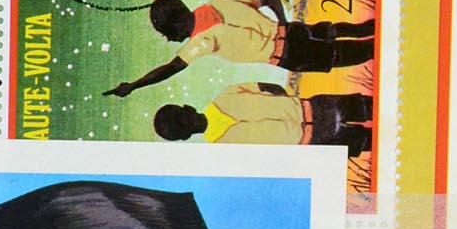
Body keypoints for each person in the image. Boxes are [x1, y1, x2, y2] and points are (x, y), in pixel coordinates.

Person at [106, 0, 374, 97]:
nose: (169, 39)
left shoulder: (202, 41)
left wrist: (134, 85)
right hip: (295, 32)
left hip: (290, 55)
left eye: (166, 32)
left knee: (362, 52)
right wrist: (282, 22)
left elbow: (170, 68)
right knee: (353, 31)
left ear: (174, 26)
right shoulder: (218, 1)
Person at [153, 82, 372, 158]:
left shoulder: (226, 95)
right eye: (182, 124)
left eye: (182, 119)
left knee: (375, 115)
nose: (188, 121)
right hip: (316, 136)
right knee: (374, 139)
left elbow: (270, 87)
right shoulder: (223, 150)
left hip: (317, 112)